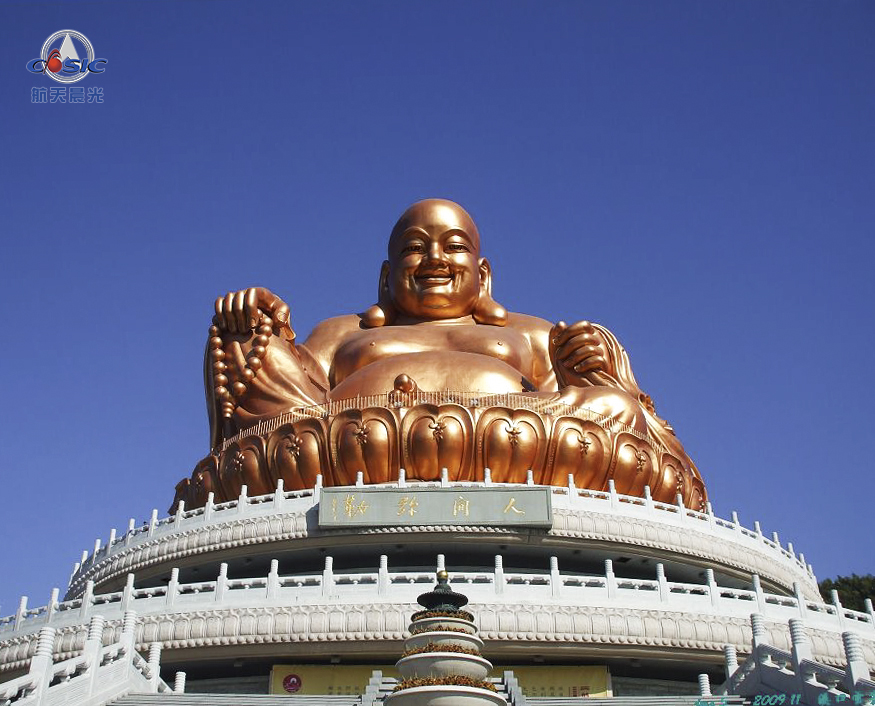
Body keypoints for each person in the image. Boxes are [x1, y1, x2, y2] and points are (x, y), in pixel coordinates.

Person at [206, 199, 701, 496]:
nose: (434, 258)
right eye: (414, 247)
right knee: (250, 350)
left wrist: (592, 361)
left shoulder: (531, 333)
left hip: (508, 443)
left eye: (454, 245)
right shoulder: (343, 331)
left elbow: (599, 404)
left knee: (612, 407)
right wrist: (256, 323)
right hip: (355, 447)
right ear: (386, 277)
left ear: (483, 275)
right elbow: (291, 390)